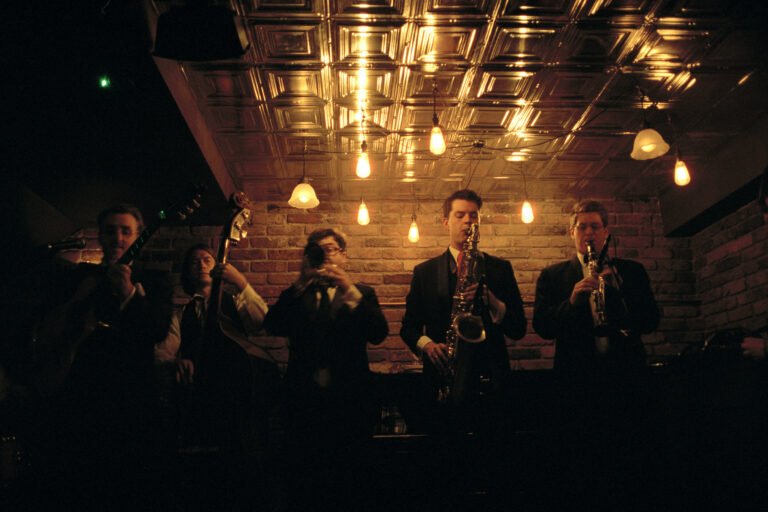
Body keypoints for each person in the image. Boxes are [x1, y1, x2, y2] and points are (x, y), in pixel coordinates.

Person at [32, 204, 172, 507]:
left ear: (138, 236)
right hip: (81, 397)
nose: (118, 238)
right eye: (110, 231)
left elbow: (157, 331)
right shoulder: (79, 277)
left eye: (126, 231)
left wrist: (129, 293)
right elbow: (53, 325)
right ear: (100, 236)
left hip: (132, 399)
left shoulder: (157, 280)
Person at [532, 199, 660, 505]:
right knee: (584, 466)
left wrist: (619, 288)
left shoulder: (631, 271)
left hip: (625, 381)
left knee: (631, 462)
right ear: (572, 232)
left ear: (606, 232)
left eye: (595, 227)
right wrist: (572, 302)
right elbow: (543, 327)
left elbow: (650, 321)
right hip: (577, 385)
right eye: (582, 227)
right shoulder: (552, 276)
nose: (588, 233)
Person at [400, 189, 527, 428]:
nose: (468, 221)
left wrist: (493, 302)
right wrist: (427, 345)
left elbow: (518, 328)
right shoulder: (425, 272)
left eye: (473, 215)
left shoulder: (500, 269)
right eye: (460, 215)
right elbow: (408, 328)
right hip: (443, 379)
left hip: (491, 382)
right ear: (445, 222)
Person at [264, 228, 388, 445]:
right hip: (304, 399)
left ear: (343, 255)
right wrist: (300, 283)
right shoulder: (296, 294)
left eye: (330, 249)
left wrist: (349, 289)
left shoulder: (363, 294)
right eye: (317, 251)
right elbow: (273, 326)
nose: (325, 255)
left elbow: (378, 334)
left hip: (350, 398)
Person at [154, 244, 276, 453]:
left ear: (216, 266)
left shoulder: (236, 303)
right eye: (195, 262)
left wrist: (240, 282)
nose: (201, 265)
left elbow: (262, 322)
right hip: (199, 398)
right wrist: (176, 362)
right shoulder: (181, 314)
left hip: (236, 397)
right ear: (188, 272)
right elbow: (162, 353)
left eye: (207, 260)